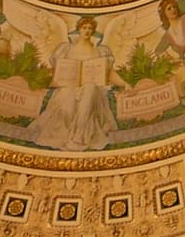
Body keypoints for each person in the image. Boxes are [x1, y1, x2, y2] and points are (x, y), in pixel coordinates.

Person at [26, 16, 117, 150]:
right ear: (79, 29)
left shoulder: (101, 51)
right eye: (84, 28)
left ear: (93, 31)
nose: (87, 31)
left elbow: (109, 74)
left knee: (89, 90)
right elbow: (55, 71)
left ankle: (79, 137)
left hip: (92, 88)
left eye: (90, 28)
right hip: (68, 85)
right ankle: (67, 135)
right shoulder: (65, 49)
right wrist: (50, 81)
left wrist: (126, 84)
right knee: (67, 100)